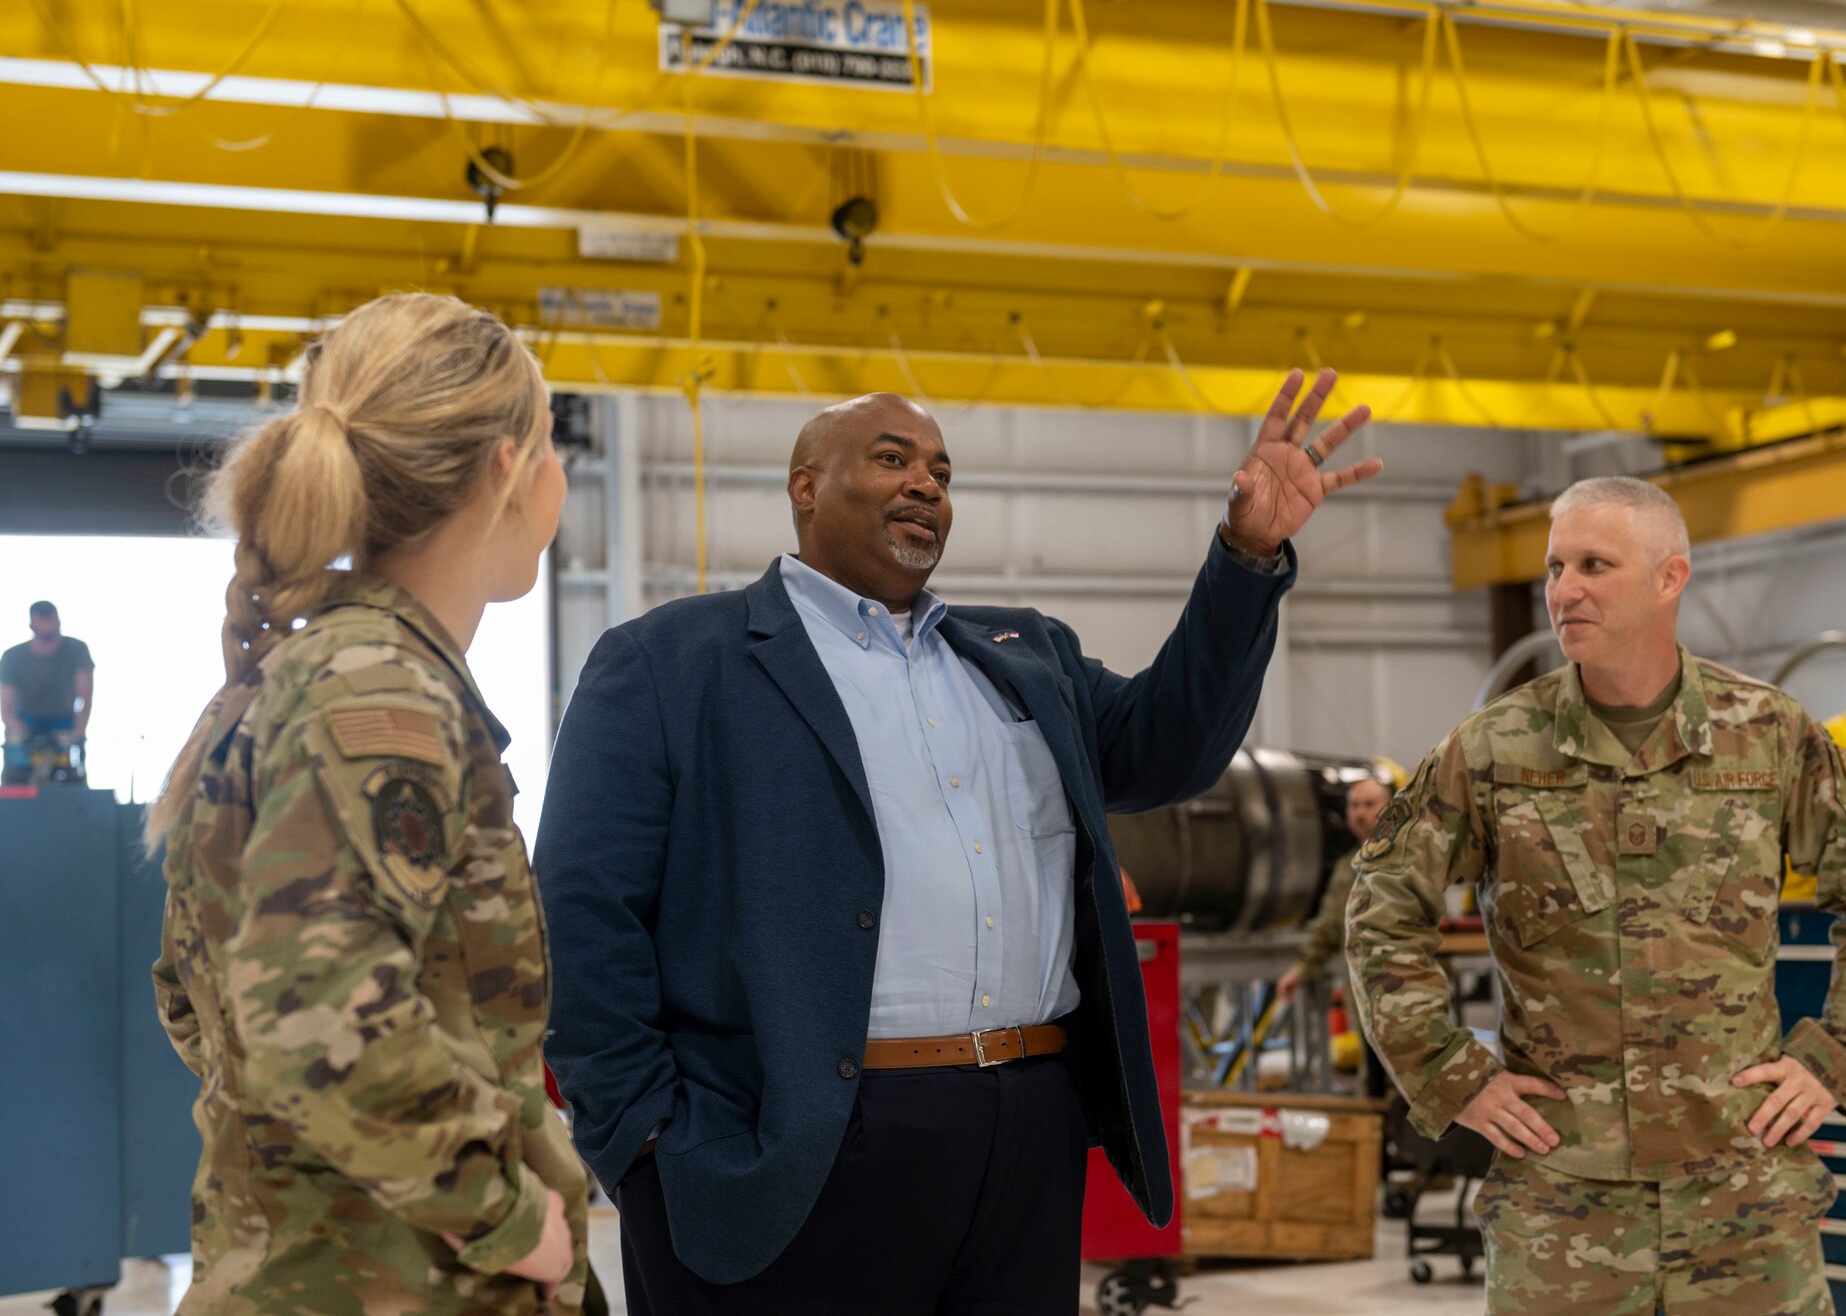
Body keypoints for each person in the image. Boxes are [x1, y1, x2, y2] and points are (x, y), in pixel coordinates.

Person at [537, 369, 1384, 1313]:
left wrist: (1245, 554)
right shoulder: (670, 662)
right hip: (784, 1145)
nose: (926, 484)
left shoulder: (1026, 655)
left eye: (941, 470)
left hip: (1024, 1132)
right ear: (804, 486)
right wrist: (647, 1142)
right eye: (892, 458)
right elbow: (579, 910)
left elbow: (1170, 744)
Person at [1346, 476, 1846, 1315]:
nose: (1563, 589)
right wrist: (1446, 1071)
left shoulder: (1767, 734)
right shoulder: (1495, 749)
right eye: (1554, 566)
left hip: (1744, 1200)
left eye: (1594, 564)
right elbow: (1382, 907)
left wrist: (1837, 1056)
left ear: (1669, 577)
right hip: (1562, 1211)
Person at [145, 293, 589, 1314]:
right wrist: (508, 1215)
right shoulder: (380, 693)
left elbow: (194, 994)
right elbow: (307, 1008)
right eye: (552, 442)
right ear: (503, 471)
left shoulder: (298, 675)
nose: (558, 473)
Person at [1276, 774, 1392, 1007]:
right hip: (1364, 999)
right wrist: (1300, 970)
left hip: (1405, 997)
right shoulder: (1347, 869)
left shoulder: (1408, 861)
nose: (1360, 813)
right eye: (1354, 805)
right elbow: (1329, 927)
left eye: (1369, 805)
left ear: (1389, 808)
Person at [1, 600, 94, 775]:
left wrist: (79, 730)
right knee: (16, 764)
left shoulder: (77, 650)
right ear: (32, 625)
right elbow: (6, 707)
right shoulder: (12, 657)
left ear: (58, 622)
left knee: (72, 770)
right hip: (26, 723)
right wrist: (21, 730)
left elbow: (85, 697)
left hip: (64, 722)